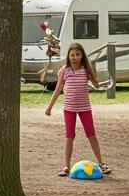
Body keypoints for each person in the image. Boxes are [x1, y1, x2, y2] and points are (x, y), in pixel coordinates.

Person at [45, 42, 110, 178]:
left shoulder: (86, 70)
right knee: (70, 136)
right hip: (69, 109)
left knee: (91, 134)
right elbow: (57, 90)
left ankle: (102, 164)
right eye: (72, 55)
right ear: (69, 56)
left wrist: (103, 83)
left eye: (78, 54)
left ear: (82, 56)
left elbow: (96, 84)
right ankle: (66, 167)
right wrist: (49, 107)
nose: (75, 57)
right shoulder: (64, 71)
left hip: (85, 108)